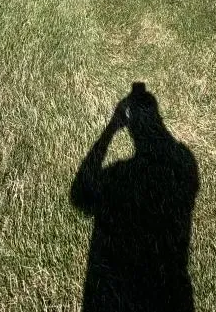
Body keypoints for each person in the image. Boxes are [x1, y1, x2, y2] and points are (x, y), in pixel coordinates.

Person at [71, 83, 199, 312]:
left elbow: (79, 196)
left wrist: (110, 129)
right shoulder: (184, 159)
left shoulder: (117, 174)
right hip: (171, 291)